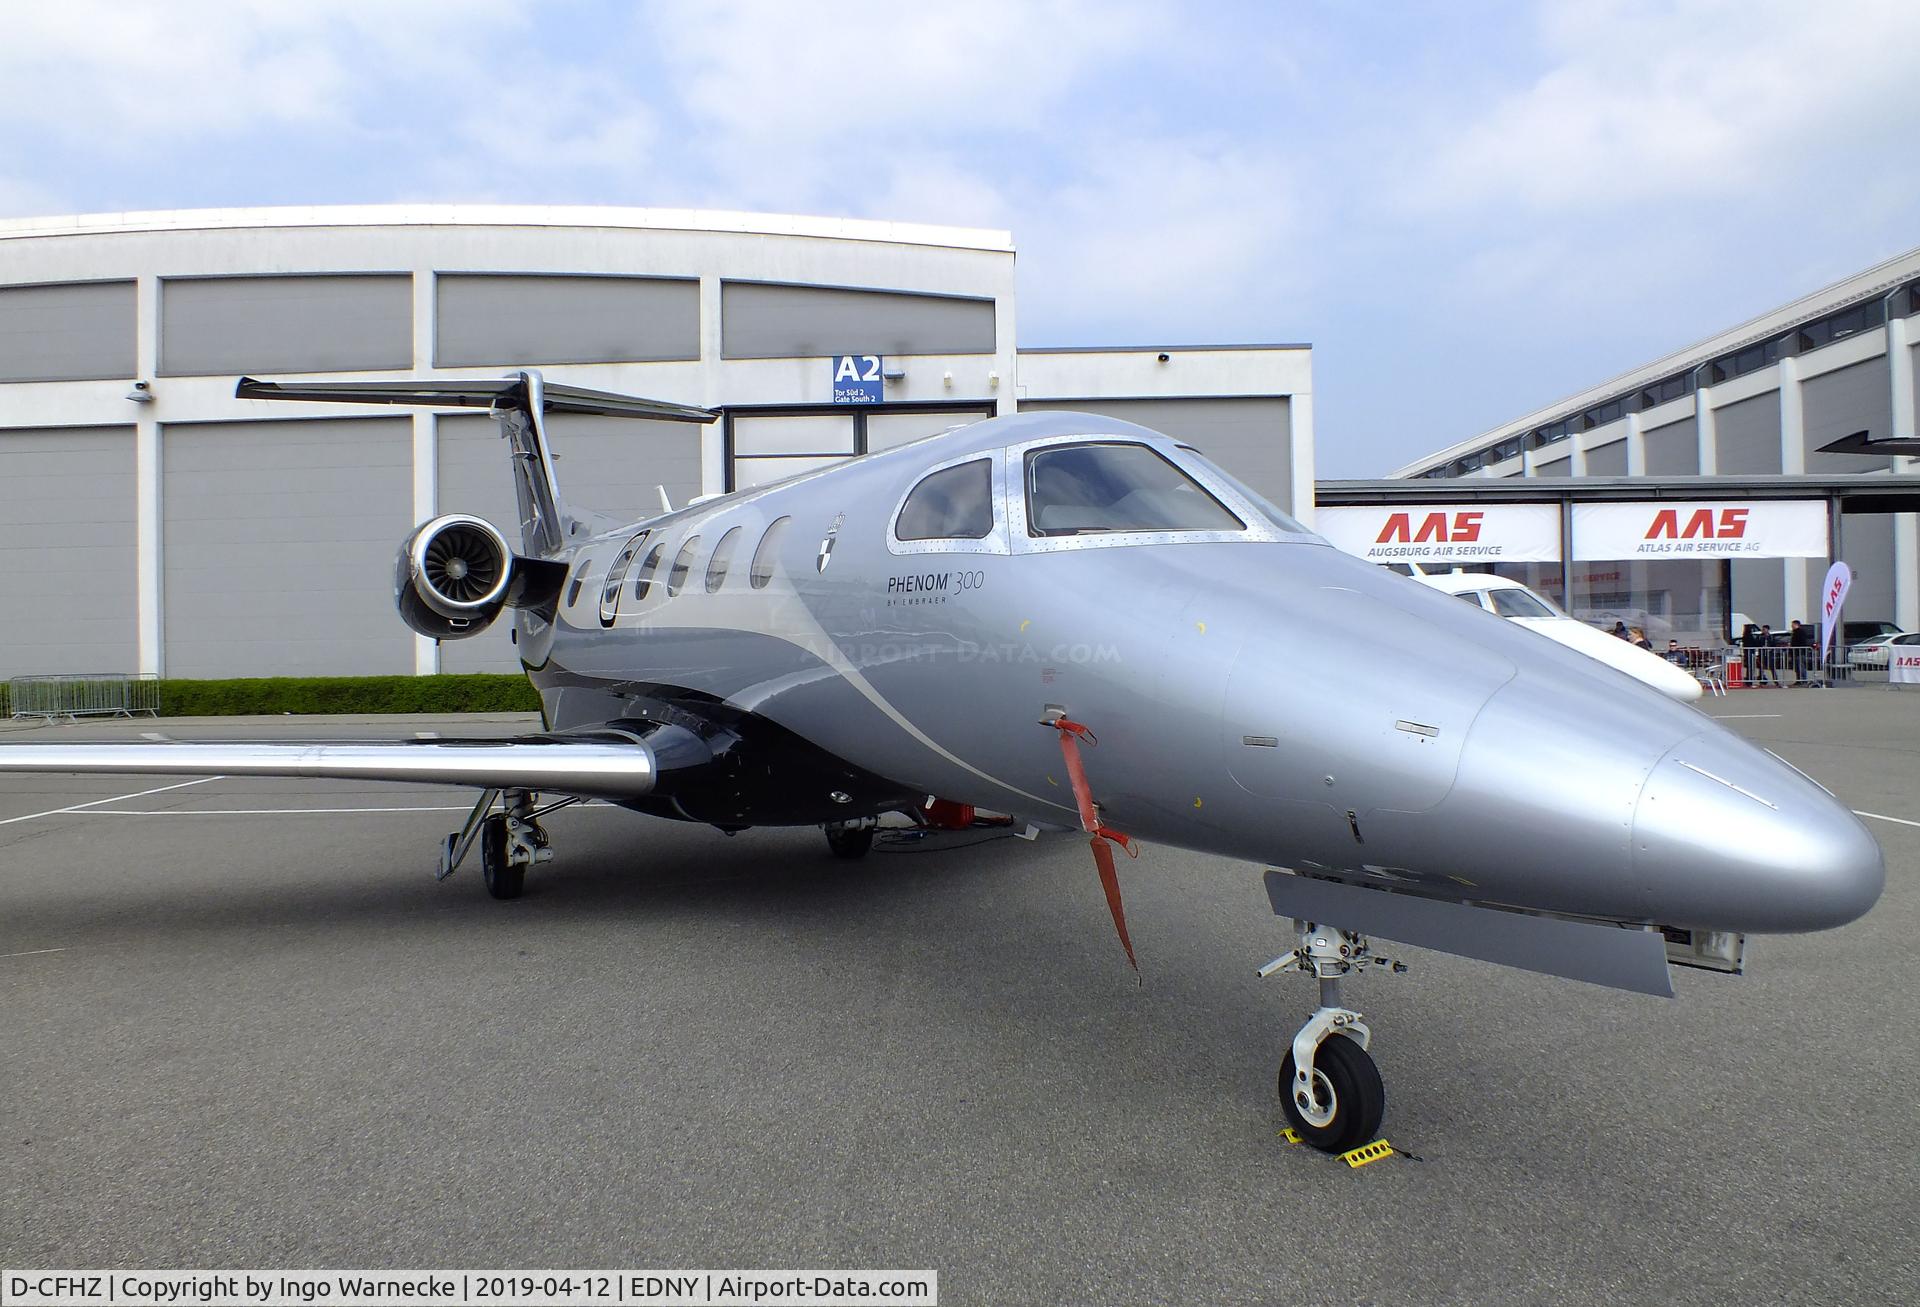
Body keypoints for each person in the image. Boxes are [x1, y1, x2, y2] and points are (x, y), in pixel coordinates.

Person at [1789, 619, 1816, 685]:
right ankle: (1799, 679)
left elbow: (1802, 642)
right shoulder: (1794, 632)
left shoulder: (1800, 632)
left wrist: (1794, 646)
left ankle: (1803, 680)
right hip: (1795, 652)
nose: (1791, 626)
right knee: (1797, 667)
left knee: (1801, 666)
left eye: (1792, 624)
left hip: (1800, 652)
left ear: (1796, 624)